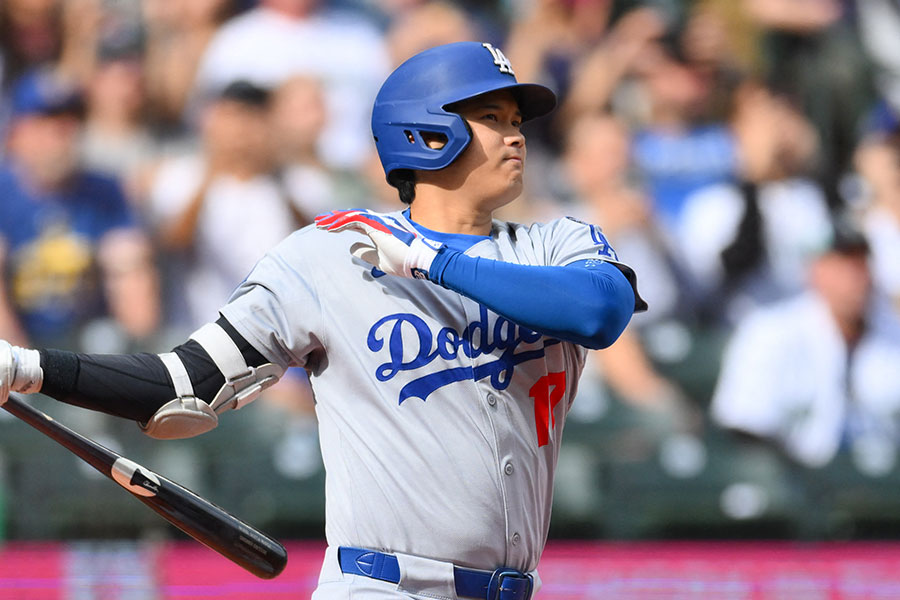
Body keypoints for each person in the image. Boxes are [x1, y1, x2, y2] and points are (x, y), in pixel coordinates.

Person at [0, 42, 645, 599]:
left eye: (517, 120)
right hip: (383, 585)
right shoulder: (332, 254)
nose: (516, 136)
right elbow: (181, 385)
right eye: (492, 118)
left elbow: (599, 311)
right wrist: (27, 368)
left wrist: (432, 262)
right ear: (426, 132)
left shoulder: (557, 243)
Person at [710, 219, 900, 470]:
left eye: (860, 264)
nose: (854, 278)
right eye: (841, 265)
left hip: (882, 480)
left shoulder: (892, 334)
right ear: (814, 270)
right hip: (791, 479)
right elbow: (743, 426)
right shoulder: (769, 332)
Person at [0, 67, 160, 352]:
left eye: (71, 119)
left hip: (87, 347)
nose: (61, 132)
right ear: (16, 132)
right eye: (46, 120)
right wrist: (22, 366)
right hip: (16, 349)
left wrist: (142, 357)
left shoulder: (105, 191)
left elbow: (132, 284)